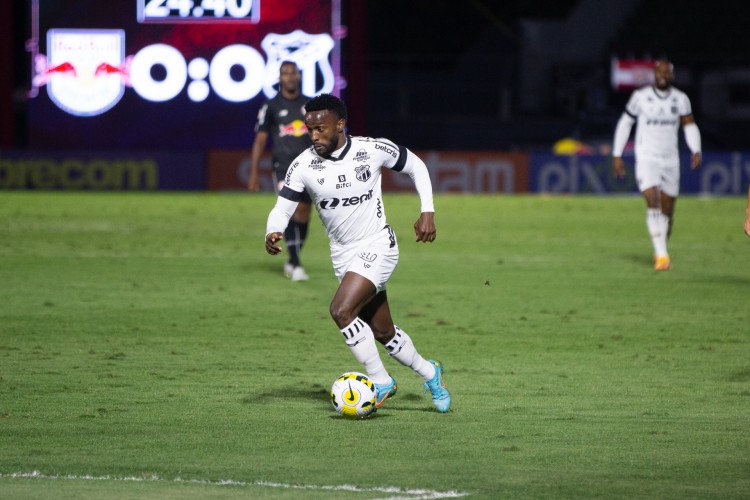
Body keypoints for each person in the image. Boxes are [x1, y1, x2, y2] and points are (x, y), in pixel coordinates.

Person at [264, 93, 451, 413]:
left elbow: (416, 166)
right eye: (309, 130)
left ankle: (380, 381)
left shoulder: (372, 149)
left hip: (378, 245)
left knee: (340, 310)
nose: (314, 136)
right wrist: (272, 229)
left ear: (340, 124)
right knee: (383, 332)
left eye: (320, 129)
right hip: (343, 257)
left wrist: (428, 211)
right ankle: (431, 373)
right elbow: (283, 207)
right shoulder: (304, 165)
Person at [612, 58, 702, 271]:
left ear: (672, 75)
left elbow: (689, 126)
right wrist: (617, 155)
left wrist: (696, 149)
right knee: (652, 199)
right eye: (659, 71)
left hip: (670, 159)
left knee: (668, 211)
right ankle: (662, 256)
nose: (662, 75)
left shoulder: (680, 99)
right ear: (654, 74)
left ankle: (661, 246)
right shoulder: (640, 97)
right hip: (646, 157)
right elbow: (625, 123)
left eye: (666, 72)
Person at [249, 61, 312, 282]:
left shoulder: (309, 105)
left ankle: (293, 259)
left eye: (293, 72)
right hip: (284, 167)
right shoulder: (272, 106)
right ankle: (295, 264)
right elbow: (260, 140)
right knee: (291, 210)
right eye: (285, 73)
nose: (290, 77)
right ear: (280, 78)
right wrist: (254, 173)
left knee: (304, 212)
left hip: (310, 167)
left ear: (299, 76)